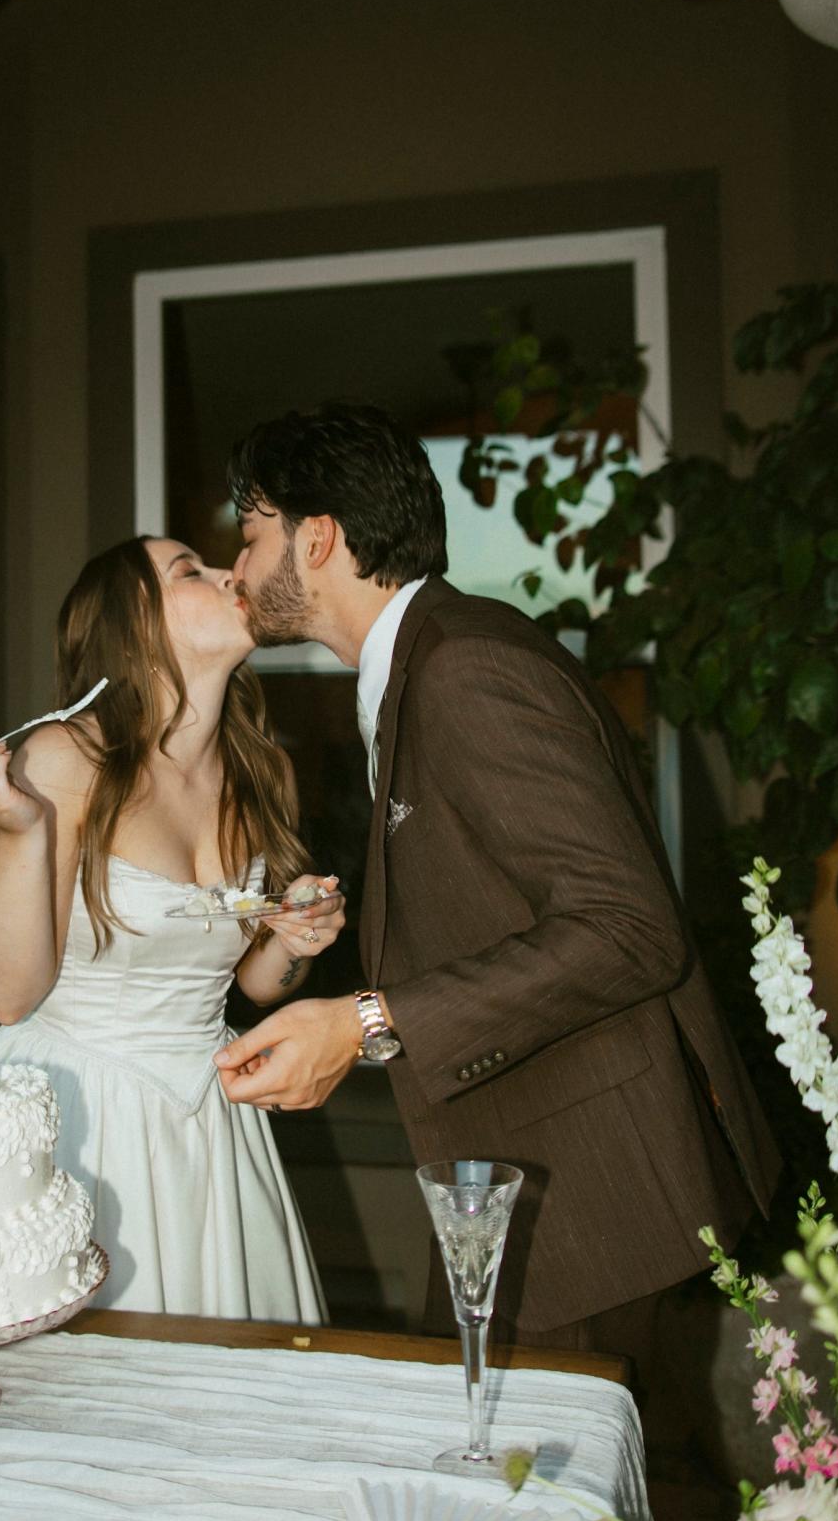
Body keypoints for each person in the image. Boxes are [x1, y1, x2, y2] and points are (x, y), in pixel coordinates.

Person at [214, 402, 780, 1364]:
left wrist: (363, 1021)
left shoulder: (463, 668)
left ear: (317, 540)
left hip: (590, 1199)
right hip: (520, 1177)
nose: (236, 565)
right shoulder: (421, 666)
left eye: (250, 533)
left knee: (543, 1505)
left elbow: (627, 927)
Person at [0, 535, 340, 1322]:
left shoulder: (267, 772)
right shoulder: (62, 759)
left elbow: (250, 982)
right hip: (84, 1116)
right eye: (191, 569)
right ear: (132, 625)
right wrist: (20, 830)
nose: (231, 573)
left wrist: (293, 940)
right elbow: (10, 995)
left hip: (214, 1123)